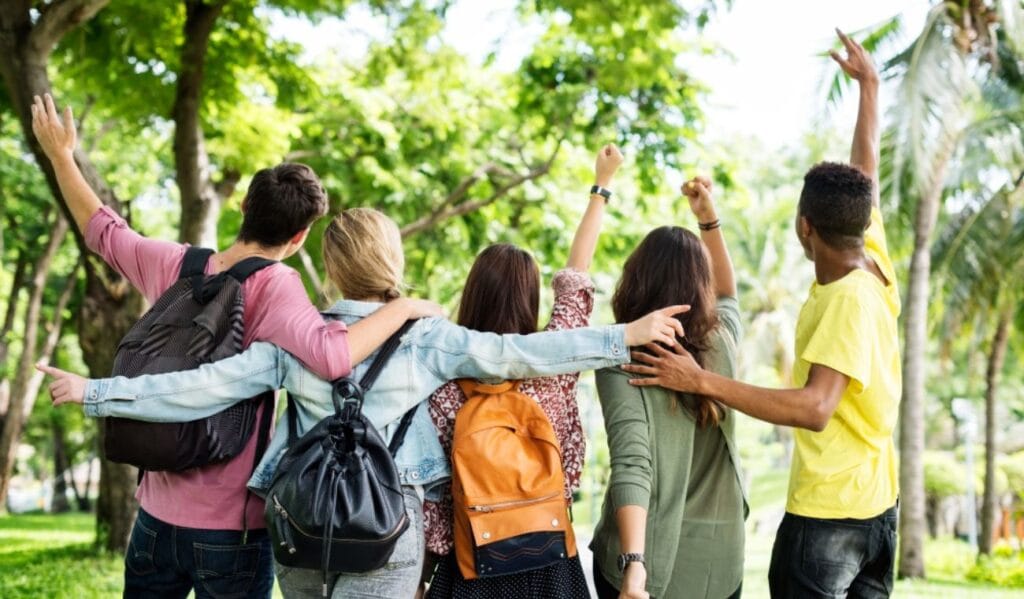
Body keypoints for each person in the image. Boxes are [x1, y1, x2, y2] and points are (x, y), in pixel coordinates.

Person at [39, 190, 688, 598]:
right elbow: (524, 352)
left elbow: (199, 388)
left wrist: (96, 391)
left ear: (329, 268)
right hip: (388, 531)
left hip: (300, 526)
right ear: (392, 261)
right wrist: (623, 335)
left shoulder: (297, 335)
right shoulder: (428, 339)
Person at [30, 94, 442, 598]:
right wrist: (401, 308)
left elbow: (103, 231)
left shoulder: (174, 264)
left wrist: (61, 157)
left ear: (243, 205)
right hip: (230, 531)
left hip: (153, 520)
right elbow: (333, 356)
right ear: (299, 237)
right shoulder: (277, 285)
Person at [623, 30, 900, 598]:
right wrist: (870, 89)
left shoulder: (848, 298)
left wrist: (701, 380)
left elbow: (816, 407)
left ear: (805, 227)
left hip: (830, 520)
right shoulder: (871, 258)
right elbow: (864, 175)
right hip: (879, 511)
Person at [423, 144, 623, 599]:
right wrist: (602, 185)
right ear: (530, 300)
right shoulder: (553, 365)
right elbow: (576, 279)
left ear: (472, 294)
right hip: (550, 561)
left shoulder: (442, 379)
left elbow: (434, 500)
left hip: (470, 566)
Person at [589, 175, 744, 599]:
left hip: (649, 565)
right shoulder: (723, 341)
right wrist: (708, 220)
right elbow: (728, 293)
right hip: (719, 564)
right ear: (701, 286)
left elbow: (632, 464)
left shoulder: (622, 357)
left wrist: (633, 567)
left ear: (636, 278)